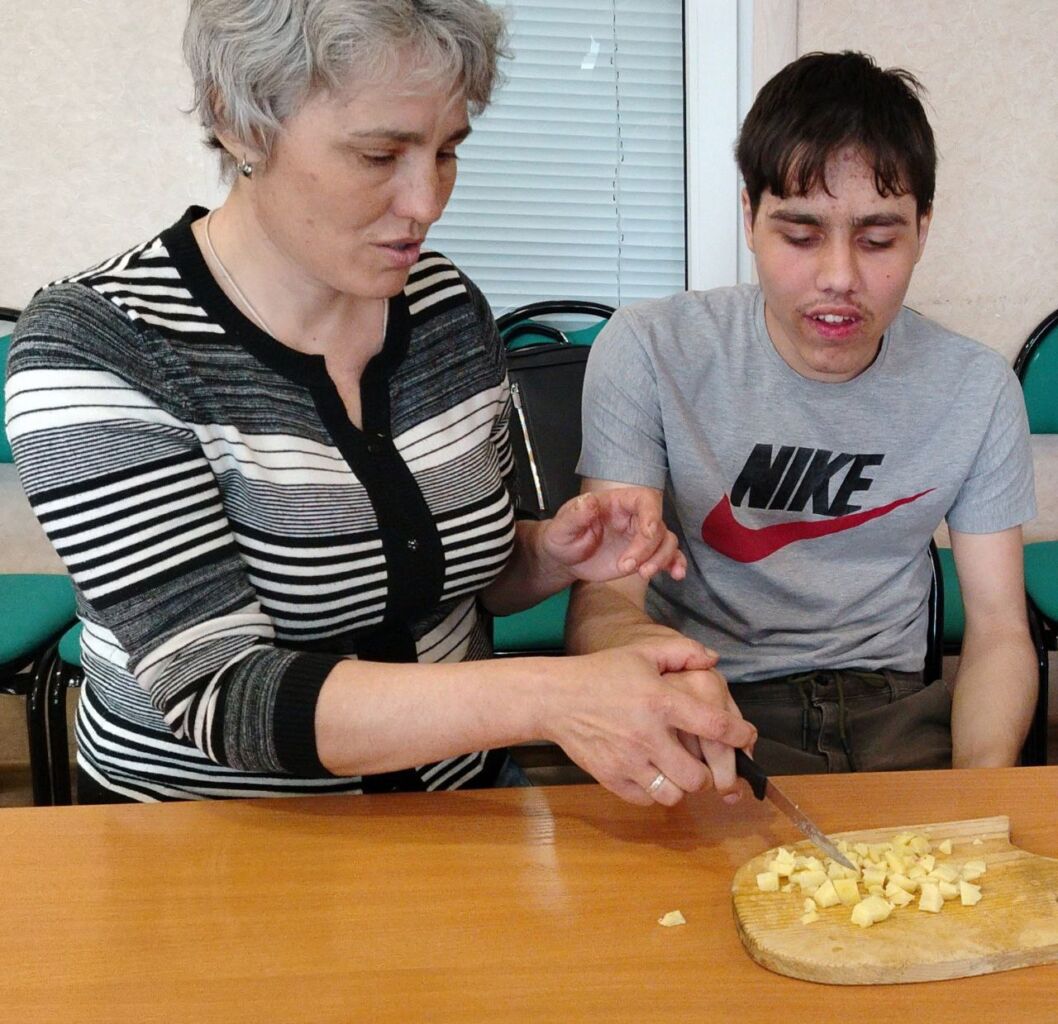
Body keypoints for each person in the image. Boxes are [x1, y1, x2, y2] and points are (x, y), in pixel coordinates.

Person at [5, 0, 754, 805]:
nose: (427, 202)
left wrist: (547, 555)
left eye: (447, 150)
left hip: (458, 803)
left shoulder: (442, 309)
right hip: (210, 837)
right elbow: (222, 694)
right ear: (239, 123)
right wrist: (551, 698)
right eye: (379, 154)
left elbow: (464, 578)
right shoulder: (100, 343)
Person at [568, 51, 1038, 777]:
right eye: (800, 235)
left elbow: (1001, 628)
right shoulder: (650, 350)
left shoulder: (977, 388)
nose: (839, 278)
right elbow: (605, 599)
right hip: (712, 693)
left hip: (895, 707)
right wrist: (662, 678)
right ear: (749, 217)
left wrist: (980, 784)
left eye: (878, 240)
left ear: (923, 229)